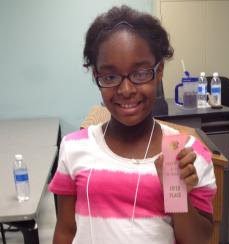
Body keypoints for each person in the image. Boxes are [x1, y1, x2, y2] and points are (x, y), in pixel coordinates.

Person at [49, 5, 216, 244]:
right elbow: (66, 231)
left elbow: (198, 240)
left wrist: (175, 189)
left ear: (159, 72)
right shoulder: (74, 148)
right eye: (110, 76)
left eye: (140, 73)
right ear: (97, 77)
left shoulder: (185, 153)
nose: (126, 90)